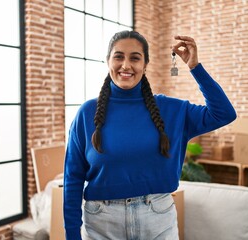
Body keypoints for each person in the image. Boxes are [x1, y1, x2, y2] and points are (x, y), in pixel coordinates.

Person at [63, 30, 236, 240]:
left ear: (145, 65)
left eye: (135, 58)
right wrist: (72, 235)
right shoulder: (86, 113)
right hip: (102, 223)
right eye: (118, 56)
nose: (126, 65)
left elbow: (224, 113)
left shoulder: (172, 109)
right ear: (108, 61)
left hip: (158, 219)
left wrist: (195, 68)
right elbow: (73, 179)